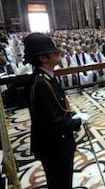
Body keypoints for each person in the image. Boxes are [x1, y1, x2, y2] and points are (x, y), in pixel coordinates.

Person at [23, 32, 89, 189]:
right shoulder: (41, 84)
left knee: (61, 181)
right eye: (54, 52)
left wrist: (72, 114)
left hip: (55, 143)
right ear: (43, 58)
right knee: (60, 183)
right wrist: (77, 121)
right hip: (54, 145)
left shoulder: (45, 78)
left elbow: (57, 108)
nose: (58, 53)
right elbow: (53, 122)